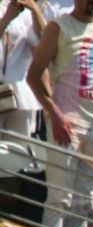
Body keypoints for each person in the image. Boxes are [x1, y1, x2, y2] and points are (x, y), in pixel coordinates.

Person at [27, 0, 93, 227]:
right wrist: (54, 113)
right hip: (65, 124)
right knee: (60, 198)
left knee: (85, 201)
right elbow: (33, 76)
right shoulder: (58, 27)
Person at [0, 0, 45, 138]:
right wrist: (7, 17)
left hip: (20, 94)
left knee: (18, 151)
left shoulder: (24, 11)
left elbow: (44, 41)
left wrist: (35, 11)